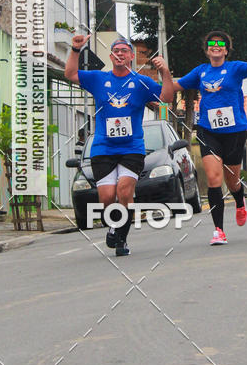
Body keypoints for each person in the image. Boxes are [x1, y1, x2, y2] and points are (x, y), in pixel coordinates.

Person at [65, 35, 173, 256]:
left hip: (131, 147)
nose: (120, 54)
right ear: (111, 56)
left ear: (131, 56)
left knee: (124, 191)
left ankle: (121, 238)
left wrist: (165, 72)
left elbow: (166, 97)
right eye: (116, 50)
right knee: (106, 197)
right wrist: (76, 49)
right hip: (103, 147)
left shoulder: (141, 82)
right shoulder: (98, 79)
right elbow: (71, 74)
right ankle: (115, 225)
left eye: (125, 50)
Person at [172, 30, 247, 246]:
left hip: (234, 131)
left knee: (232, 181)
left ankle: (239, 200)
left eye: (220, 44)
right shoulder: (200, 72)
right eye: (211, 43)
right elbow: (174, 86)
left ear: (226, 50)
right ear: (207, 50)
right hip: (208, 130)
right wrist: (162, 71)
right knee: (214, 179)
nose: (215, 46)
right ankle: (219, 230)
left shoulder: (236, 68)